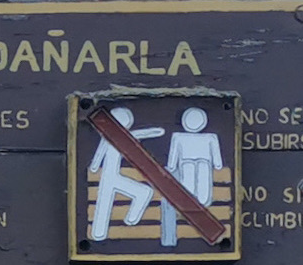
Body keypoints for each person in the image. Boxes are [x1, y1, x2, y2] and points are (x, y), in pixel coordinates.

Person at [87, 106, 163, 241]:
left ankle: (127, 221)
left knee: (142, 192)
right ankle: (108, 229)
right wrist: (94, 167)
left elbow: (143, 134)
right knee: (142, 192)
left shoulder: (120, 137)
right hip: (109, 177)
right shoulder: (108, 138)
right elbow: (97, 159)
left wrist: (156, 131)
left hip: (112, 177)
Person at [158, 106, 224, 247]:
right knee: (200, 189)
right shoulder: (210, 138)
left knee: (193, 184)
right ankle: (198, 213)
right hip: (201, 165)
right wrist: (217, 165)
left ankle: (196, 212)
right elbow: (218, 163)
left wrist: (170, 166)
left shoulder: (179, 137)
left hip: (188, 165)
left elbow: (172, 162)